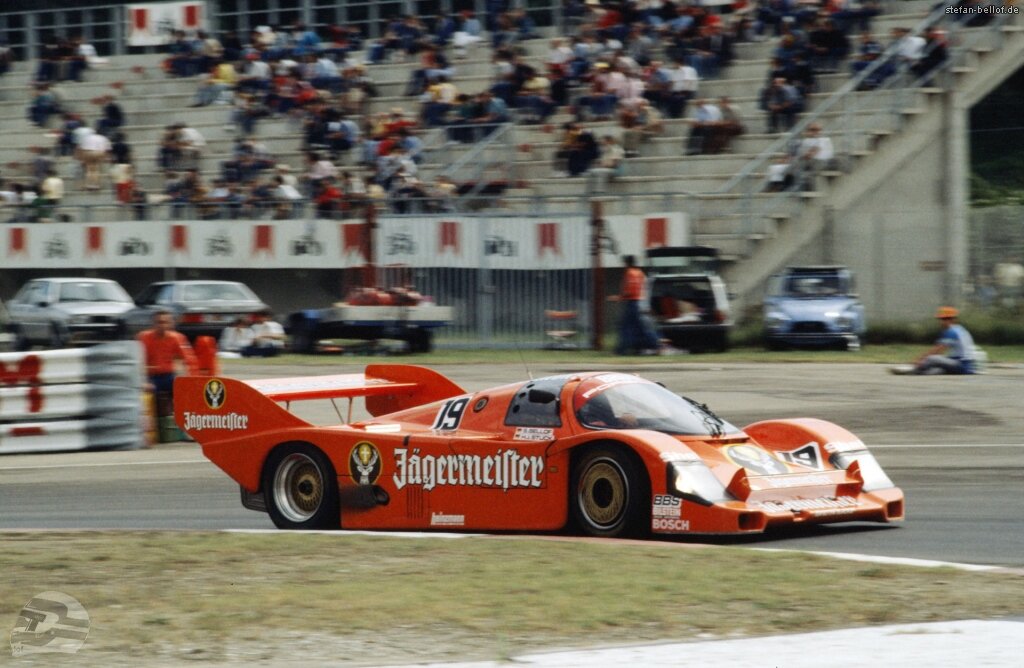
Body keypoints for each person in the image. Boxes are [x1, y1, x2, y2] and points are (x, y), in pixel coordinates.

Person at [137, 310, 199, 418]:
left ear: (171, 324)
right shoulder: (144, 338)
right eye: (159, 322)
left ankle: (185, 422)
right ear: (153, 324)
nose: (162, 325)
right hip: (150, 377)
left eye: (165, 322)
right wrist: (143, 380)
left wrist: (191, 380)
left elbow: (189, 360)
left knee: (186, 393)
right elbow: (136, 361)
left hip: (168, 376)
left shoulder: (176, 338)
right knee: (148, 399)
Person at [895, 307, 977, 375]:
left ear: (953, 320)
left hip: (961, 364)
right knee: (937, 370)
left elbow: (937, 350)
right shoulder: (961, 329)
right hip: (966, 366)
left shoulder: (951, 331)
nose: (942, 322)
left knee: (932, 359)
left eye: (946, 319)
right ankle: (917, 373)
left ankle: (911, 370)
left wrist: (919, 360)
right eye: (942, 319)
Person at [610, 255, 660, 355]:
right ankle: (655, 345)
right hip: (640, 302)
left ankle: (620, 350)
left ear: (627, 263)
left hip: (632, 303)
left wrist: (618, 298)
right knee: (640, 327)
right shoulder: (640, 273)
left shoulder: (630, 273)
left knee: (625, 327)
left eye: (624, 263)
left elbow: (630, 290)